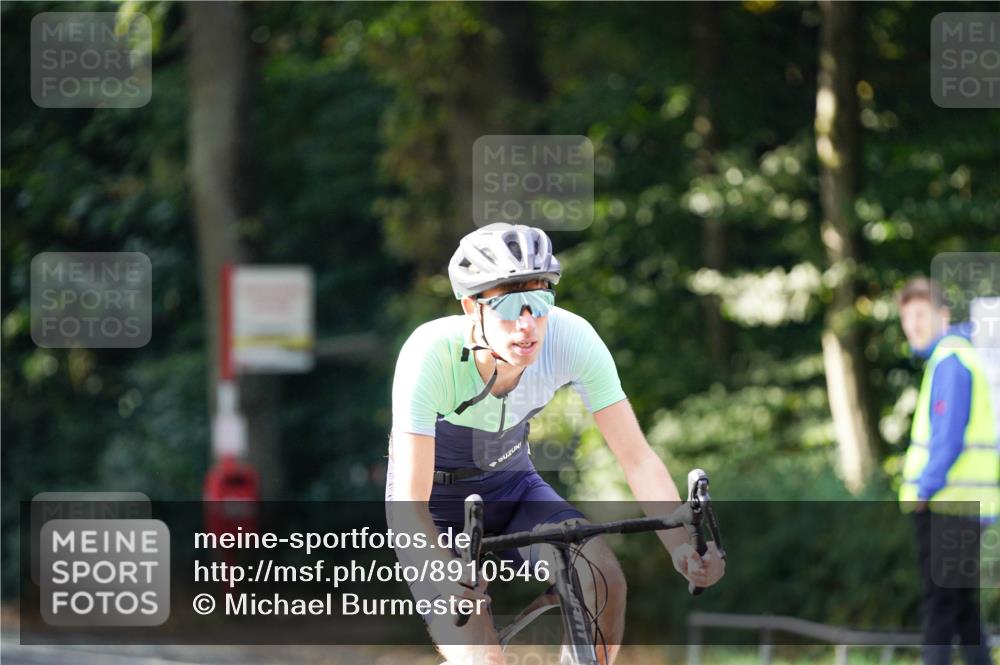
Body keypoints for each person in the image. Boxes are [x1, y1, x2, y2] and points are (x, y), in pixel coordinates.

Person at [385, 223, 725, 665]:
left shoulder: (570, 337)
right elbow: (409, 501)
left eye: (540, 302)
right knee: (481, 656)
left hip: (515, 488)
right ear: (472, 307)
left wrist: (682, 546)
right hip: (432, 508)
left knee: (604, 578)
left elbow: (636, 457)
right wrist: (446, 571)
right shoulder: (429, 354)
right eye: (508, 305)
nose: (528, 324)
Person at [897, 277, 999, 665]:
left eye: (920, 315)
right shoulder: (961, 357)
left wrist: (924, 490)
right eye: (906, 318)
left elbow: (948, 439)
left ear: (943, 315)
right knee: (962, 611)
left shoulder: (951, 361)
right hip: (964, 507)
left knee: (939, 609)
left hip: (947, 506)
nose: (913, 326)